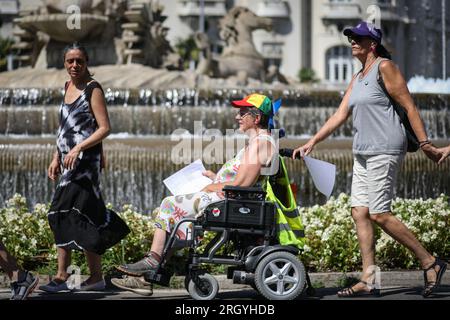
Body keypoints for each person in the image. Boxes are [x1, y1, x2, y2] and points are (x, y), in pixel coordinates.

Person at [293, 21, 447, 298]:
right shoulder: (357, 76)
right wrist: (312, 142)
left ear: (372, 44)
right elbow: (340, 115)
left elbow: (409, 106)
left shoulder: (385, 67)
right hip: (363, 152)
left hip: (385, 148)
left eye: (358, 38)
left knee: (378, 213)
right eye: (351, 37)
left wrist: (425, 143)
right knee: (359, 212)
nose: (352, 41)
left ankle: (430, 262)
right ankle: (369, 279)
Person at [111, 93, 277, 295]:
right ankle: (148, 278)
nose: (237, 117)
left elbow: (243, 184)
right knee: (181, 222)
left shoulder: (261, 143)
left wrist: (211, 187)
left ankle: (153, 261)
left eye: (243, 113)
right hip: (226, 197)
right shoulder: (258, 142)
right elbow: (240, 179)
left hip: (229, 201)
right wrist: (215, 178)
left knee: (169, 205)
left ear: (257, 118)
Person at [39, 43, 130, 293]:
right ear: (64, 63)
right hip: (68, 162)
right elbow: (64, 126)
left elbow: (104, 127)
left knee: (59, 212)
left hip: (83, 165)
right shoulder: (68, 86)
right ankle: (96, 277)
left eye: (79, 61)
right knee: (85, 214)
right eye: (70, 61)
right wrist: (56, 156)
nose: (74, 65)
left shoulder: (93, 89)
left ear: (87, 62)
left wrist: (79, 148)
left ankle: (61, 277)